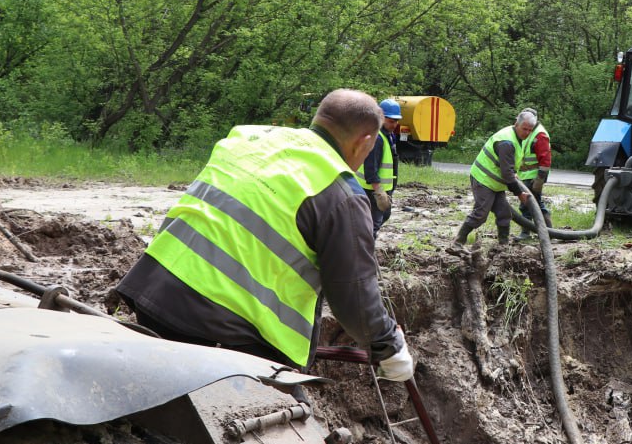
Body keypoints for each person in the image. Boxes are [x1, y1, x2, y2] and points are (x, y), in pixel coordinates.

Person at [116, 89, 414, 382]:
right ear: (365, 141)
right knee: (287, 412)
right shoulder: (340, 193)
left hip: (155, 295)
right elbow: (353, 296)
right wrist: (389, 347)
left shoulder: (246, 139)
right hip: (226, 332)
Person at [455, 110, 535, 246]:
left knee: (504, 213)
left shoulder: (517, 138)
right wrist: (519, 193)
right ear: (516, 124)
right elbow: (507, 174)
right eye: (524, 129)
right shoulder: (506, 142)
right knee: (481, 214)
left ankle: (503, 246)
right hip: (483, 179)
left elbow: (508, 165)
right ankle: (458, 242)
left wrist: (512, 172)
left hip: (495, 183)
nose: (527, 133)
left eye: (530, 130)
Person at [357, 98, 401, 238]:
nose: (395, 124)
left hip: (383, 188)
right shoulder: (377, 138)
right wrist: (379, 191)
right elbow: (371, 167)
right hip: (372, 190)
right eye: (391, 121)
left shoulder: (389, 135)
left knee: (384, 215)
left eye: (396, 121)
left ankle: (362, 242)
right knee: (373, 225)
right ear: (381, 118)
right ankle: (364, 248)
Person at [514, 109, 552, 240]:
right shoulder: (529, 132)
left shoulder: (540, 135)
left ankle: (527, 233)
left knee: (528, 204)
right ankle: (549, 232)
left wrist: (538, 181)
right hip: (526, 175)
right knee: (532, 204)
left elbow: (545, 161)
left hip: (534, 176)